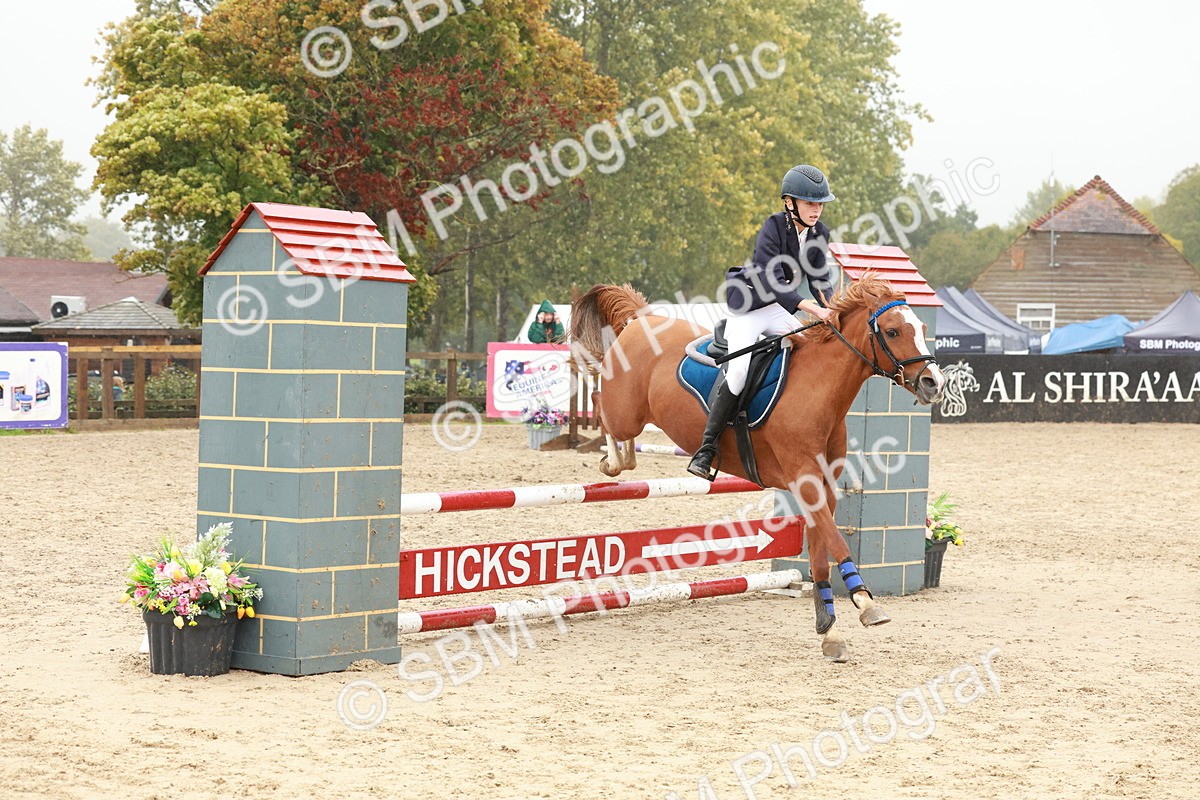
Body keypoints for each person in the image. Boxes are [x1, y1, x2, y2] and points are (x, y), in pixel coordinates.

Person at [687, 164, 838, 480]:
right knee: (739, 372)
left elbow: (820, 278)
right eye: (811, 203)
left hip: (778, 310)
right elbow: (772, 281)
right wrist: (812, 308)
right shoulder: (772, 227)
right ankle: (706, 449)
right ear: (789, 202)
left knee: (806, 353)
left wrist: (832, 308)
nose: (817, 209)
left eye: (820, 203)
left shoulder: (819, 234)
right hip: (750, 307)